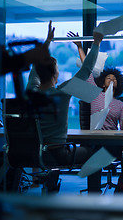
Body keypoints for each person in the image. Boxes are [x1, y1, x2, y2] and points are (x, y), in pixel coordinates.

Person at [26, 21, 104, 185]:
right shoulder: (61, 93)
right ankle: (94, 198)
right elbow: (87, 69)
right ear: (55, 74)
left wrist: (47, 42)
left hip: (33, 154)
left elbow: (35, 68)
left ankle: (50, 182)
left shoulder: (31, 92)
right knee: (95, 154)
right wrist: (96, 42)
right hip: (57, 154)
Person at [66, 31, 123, 160]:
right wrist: (79, 47)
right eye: (108, 78)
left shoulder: (120, 104)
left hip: (111, 141)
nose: (112, 79)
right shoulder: (95, 94)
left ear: (118, 84)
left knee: (120, 151)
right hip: (95, 139)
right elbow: (87, 69)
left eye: (114, 79)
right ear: (103, 84)